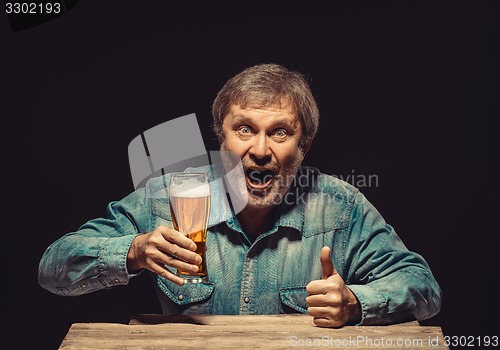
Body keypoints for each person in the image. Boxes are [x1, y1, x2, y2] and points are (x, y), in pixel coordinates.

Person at [38, 63, 441, 327]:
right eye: (244, 129)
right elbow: (52, 268)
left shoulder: (342, 206)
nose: (261, 150)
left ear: (306, 143)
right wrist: (134, 250)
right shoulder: (169, 197)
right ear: (220, 137)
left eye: (280, 132)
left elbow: (423, 287)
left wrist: (356, 301)